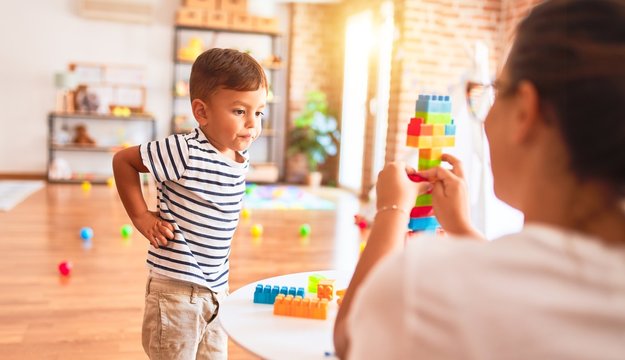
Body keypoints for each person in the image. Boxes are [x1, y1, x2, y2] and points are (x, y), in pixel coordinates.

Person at [334, 0, 625, 358]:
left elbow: (351, 338)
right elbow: (528, 284)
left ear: (524, 111)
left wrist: (391, 211)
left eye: (495, 91)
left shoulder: (423, 288)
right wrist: (462, 229)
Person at [112, 48, 266, 359]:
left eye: (259, 112)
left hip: (216, 291)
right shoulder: (184, 150)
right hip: (176, 292)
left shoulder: (239, 155)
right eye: (239, 111)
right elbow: (123, 161)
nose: (251, 123)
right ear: (202, 112)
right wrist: (141, 216)